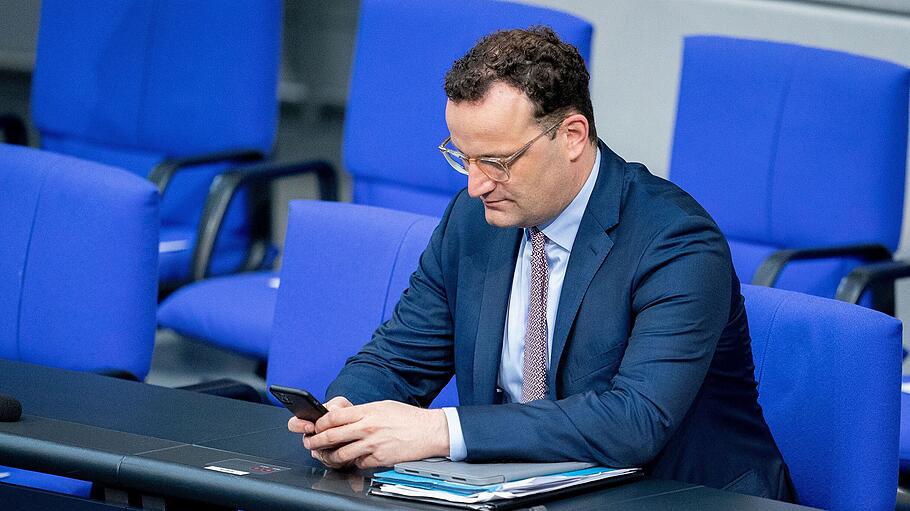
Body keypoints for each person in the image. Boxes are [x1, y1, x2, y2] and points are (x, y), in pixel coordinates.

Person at [289, 26, 795, 501]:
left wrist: (440, 430)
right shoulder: (474, 220)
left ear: (572, 135)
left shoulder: (677, 241)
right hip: (528, 488)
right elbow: (397, 359)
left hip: (681, 497)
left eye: (498, 162)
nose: (475, 185)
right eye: (463, 157)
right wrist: (346, 415)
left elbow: (634, 420)